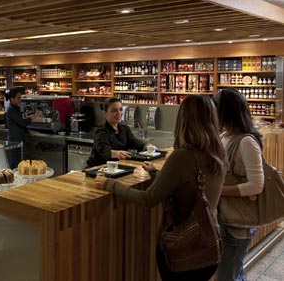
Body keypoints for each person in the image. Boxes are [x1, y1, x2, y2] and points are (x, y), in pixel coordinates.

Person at [94, 95, 226, 281]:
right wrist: (157, 174)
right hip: (210, 245)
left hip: (181, 248)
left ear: (184, 120)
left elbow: (148, 199)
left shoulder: (182, 157)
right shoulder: (218, 153)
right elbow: (190, 188)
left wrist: (110, 183)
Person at [213, 88, 265, 281]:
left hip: (239, 222)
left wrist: (219, 190)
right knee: (234, 271)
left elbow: (256, 185)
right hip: (226, 217)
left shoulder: (246, 142)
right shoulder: (225, 136)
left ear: (224, 112)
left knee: (228, 275)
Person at [86, 97, 154, 168]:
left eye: (121, 109)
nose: (119, 113)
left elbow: (134, 142)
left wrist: (146, 146)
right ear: (105, 113)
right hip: (96, 169)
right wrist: (115, 153)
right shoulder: (101, 131)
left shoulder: (125, 129)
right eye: (114, 111)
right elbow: (103, 149)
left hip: (116, 169)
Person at [4, 87, 39, 169]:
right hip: (14, 140)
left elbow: (20, 123)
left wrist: (28, 130)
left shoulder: (16, 108)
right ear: (12, 98)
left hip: (18, 139)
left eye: (20, 97)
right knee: (17, 164)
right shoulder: (11, 110)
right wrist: (32, 118)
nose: (20, 100)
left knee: (19, 163)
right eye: (18, 98)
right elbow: (21, 122)